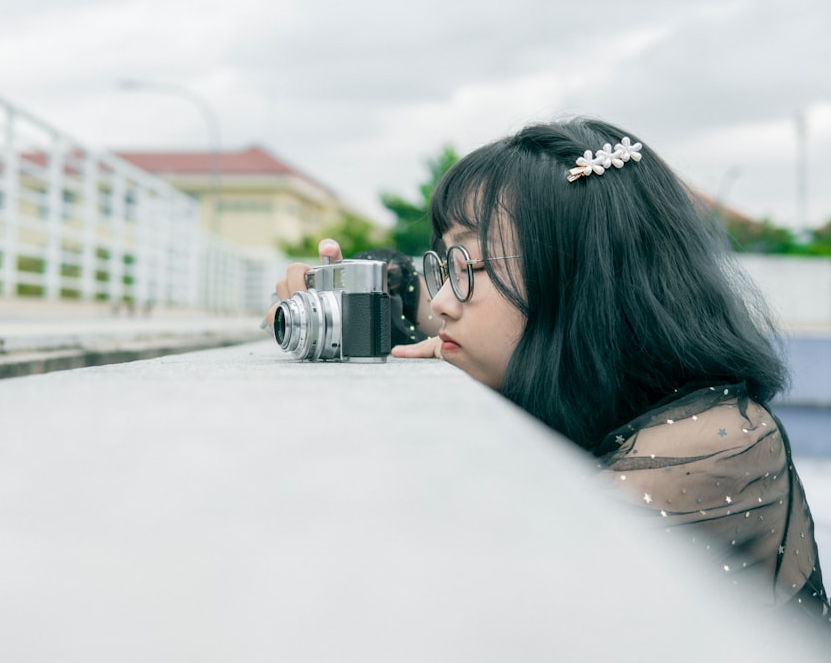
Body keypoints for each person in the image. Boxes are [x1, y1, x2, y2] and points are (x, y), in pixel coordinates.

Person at [268, 117, 830, 627]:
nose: (441, 302)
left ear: (580, 277)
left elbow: (478, 608)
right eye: (443, 264)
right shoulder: (611, 394)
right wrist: (344, 293)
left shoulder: (714, 446)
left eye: (468, 263)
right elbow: (410, 294)